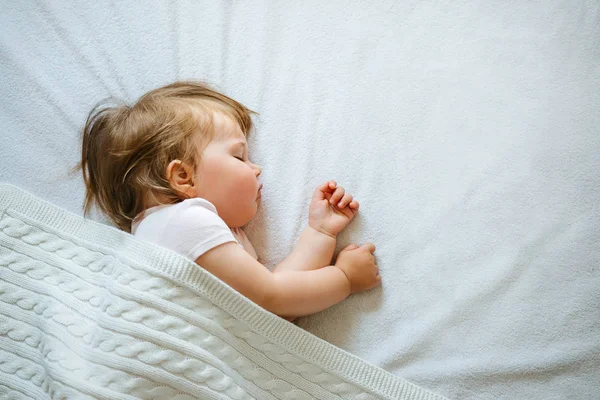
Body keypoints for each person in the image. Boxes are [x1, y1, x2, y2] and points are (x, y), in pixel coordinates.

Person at [79, 81, 381, 320]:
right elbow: (273, 298)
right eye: (239, 156)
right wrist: (344, 279)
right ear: (184, 177)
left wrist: (319, 233)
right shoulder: (184, 221)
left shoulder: (198, 234)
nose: (256, 168)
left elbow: (273, 309)